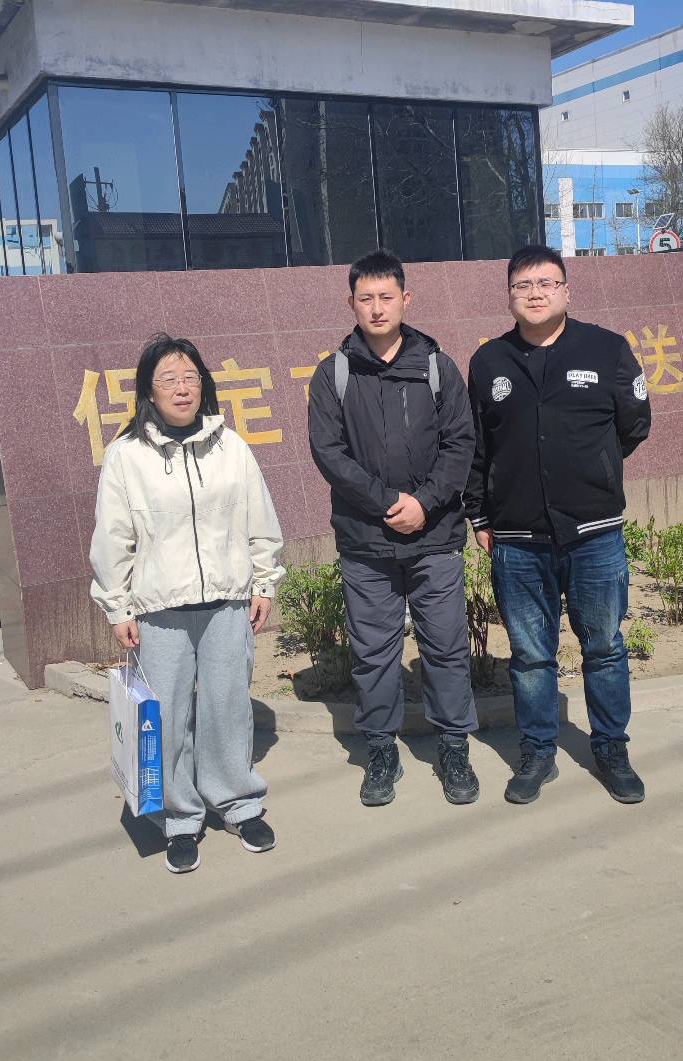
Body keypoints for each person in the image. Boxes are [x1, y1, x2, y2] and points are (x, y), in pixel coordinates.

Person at [89, 334, 285, 874]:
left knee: (228, 707)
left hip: (226, 602)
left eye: (190, 377)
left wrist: (263, 582)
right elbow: (113, 538)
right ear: (148, 392)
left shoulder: (231, 447)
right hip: (160, 610)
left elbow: (259, 518)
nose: (182, 388)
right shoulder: (127, 456)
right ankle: (178, 817)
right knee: (169, 716)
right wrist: (118, 607)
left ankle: (238, 802)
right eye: (168, 379)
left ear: (204, 384)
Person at [464, 245, 651, 806]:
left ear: (567, 290)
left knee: (605, 647)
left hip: (594, 534)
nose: (536, 293)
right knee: (530, 656)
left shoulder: (607, 349)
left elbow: (634, 425)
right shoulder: (489, 362)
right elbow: (477, 446)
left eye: (547, 283)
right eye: (523, 285)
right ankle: (538, 751)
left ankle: (611, 748)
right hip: (517, 539)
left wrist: (590, 471)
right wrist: (480, 513)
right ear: (509, 296)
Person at [308, 250, 480, 806]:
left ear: (406, 300)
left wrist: (424, 503)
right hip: (367, 542)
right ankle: (381, 750)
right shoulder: (334, 374)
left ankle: (454, 747)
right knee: (374, 653)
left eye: (387, 297)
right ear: (351, 303)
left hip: (435, 537)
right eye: (366, 298)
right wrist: (388, 503)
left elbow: (460, 443)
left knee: (446, 646)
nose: (377, 308)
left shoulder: (437, 367)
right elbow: (329, 453)